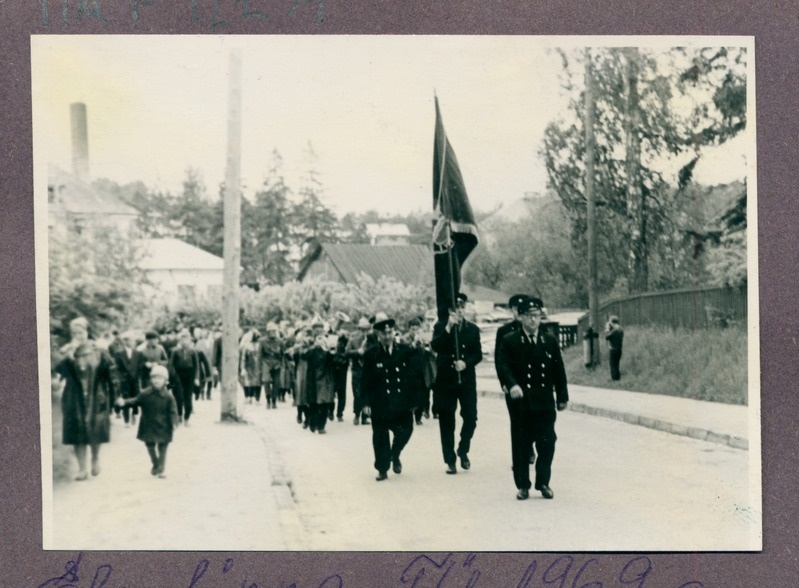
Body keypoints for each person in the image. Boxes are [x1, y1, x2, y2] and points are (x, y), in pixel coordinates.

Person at [496, 297, 569, 500]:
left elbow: (558, 370)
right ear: (521, 317)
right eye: (529, 316)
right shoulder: (510, 340)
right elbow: (503, 366)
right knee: (521, 443)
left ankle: (543, 482)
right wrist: (512, 385)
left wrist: (562, 396)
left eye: (537, 316)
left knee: (548, 442)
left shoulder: (549, 340)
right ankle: (523, 485)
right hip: (522, 402)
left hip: (544, 401)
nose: (533, 320)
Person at [431, 292, 483, 475]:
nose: (459, 311)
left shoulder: (473, 329)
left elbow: (478, 354)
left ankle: (463, 448)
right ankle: (450, 460)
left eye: (461, 307)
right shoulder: (440, 326)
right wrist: (448, 327)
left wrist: (466, 363)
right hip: (446, 380)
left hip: (466, 379)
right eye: (455, 308)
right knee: (447, 420)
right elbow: (436, 346)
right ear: (450, 310)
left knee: (471, 417)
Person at [361, 312, 417, 481]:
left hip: (401, 401)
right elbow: (365, 381)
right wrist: (365, 403)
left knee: (406, 430)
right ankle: (382, 468)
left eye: (390, 332)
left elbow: (413, 376)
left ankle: (395, 454)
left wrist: (415, 400)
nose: (388, 336)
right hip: (380, 402)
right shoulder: (371, 354)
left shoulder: (405, 351)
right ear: (378, 334)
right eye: (384, 333)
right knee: (380, 436)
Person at [55, 340, 116, 481]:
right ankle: (82, 469)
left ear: (87, 332)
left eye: (80, 332)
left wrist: (114, 398)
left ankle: (95, 458)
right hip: (74, 399)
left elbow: (111, 375)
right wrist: (68, 356)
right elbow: (57, 372)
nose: (78, 336)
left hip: (96, 398)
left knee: (96, 430)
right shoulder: (70, 355)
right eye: (75, 333)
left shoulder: (100, 354)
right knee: (77, 433)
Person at [494, 294, 538, 465]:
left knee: (534, 419)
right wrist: (504, 383)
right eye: (515, 309)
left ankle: (529, 444)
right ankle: (521, 455)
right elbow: (500, 361)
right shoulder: (504, 331)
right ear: (511, 311)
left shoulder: (537, 330)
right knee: (517, 421)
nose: (519, 313)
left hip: (534, 385)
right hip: (513, 384)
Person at [115, 364, 178, 478]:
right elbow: (135, 401)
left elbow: (173, 410)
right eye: (154, 378)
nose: (156, 380)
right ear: (150, 379)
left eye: (159, 378)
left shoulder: (169, 397)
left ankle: (161, 469)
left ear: (165, 381)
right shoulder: (145, 394)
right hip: (148, 424)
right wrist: (124, 402)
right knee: (150, 445)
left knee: (163, 447)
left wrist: (174, 422)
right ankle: (155, 463)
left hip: (164, 425)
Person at [345, 317, 375, 425]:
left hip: (368, 370)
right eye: (362, 330)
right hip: (357, 370)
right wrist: (358, 352)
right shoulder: (353, 340)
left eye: (367, 329)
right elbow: (347, 352)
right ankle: (357, 414)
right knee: (357, 394)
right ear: (359, 330)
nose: (365, 332)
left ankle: (365, 417)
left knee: (367, 393)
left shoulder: (373, 340)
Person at [168, 329, 200, 426]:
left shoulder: (193, 351)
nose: (184, 341)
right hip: (178, 375)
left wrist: (196, 378)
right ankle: (179, 415)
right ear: (179, 340)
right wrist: (173, 376)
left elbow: (196, 366)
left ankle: (187, 418)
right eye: (182, 339)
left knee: (188, 397)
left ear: (190, 340)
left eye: (186, 339)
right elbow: (171, 365)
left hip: (189, 375)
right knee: (178, 396)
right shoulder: (175, 351)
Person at [111, 330, 141, 427]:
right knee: (125, 398)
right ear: (124, 341)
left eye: (131, 340)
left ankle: (134, 414)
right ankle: (126, 421)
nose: (129, 342)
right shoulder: (119, 353)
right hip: (124, 380)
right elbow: (116, 367)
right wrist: (120, 378)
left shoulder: (138, 353)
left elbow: (140, 365)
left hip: (135, 379)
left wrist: (138, 375)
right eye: (127, 340)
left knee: (135, 397)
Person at [260, 322, 284, 408]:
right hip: (266, 362)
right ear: (267, 331)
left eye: (274, 331)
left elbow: (283, 354)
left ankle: (274, 401)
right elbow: (260, 355)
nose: (272, 333)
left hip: (277, 363)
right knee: (266, 381)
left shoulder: (280, 341)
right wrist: (259, 368)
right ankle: (268, 399)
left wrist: (281, 363)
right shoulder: (262, 341)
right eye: (270, 331)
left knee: (277, 383)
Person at [239, 327, 262, 404]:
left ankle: (257, 399)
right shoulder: (246, 346)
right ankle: (248, 397)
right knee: (248, 382)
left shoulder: (260, 345)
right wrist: (242, 368)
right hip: (249, 366)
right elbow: (243, 358)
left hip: (258, 367)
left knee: (257, 383)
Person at [605, 316, 624, 381]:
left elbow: (607, 337)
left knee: (613, 364)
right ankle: (617, 378)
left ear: (612, 322)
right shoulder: (621, 329)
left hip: (613, 349)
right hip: (619, 349)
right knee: (617, 364)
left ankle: (614, 379)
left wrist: (607, 329)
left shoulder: (615, 330)